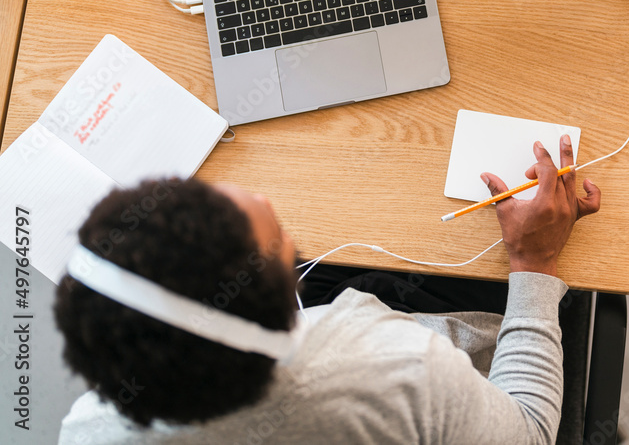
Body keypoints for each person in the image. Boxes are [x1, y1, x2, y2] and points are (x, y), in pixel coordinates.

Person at [56, 136, 601, 444]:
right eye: (277, 240)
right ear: (285, 312)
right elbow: (530, 431)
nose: (266, 200)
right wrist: (535, 259)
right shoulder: (392, 370)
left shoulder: (88, 433)